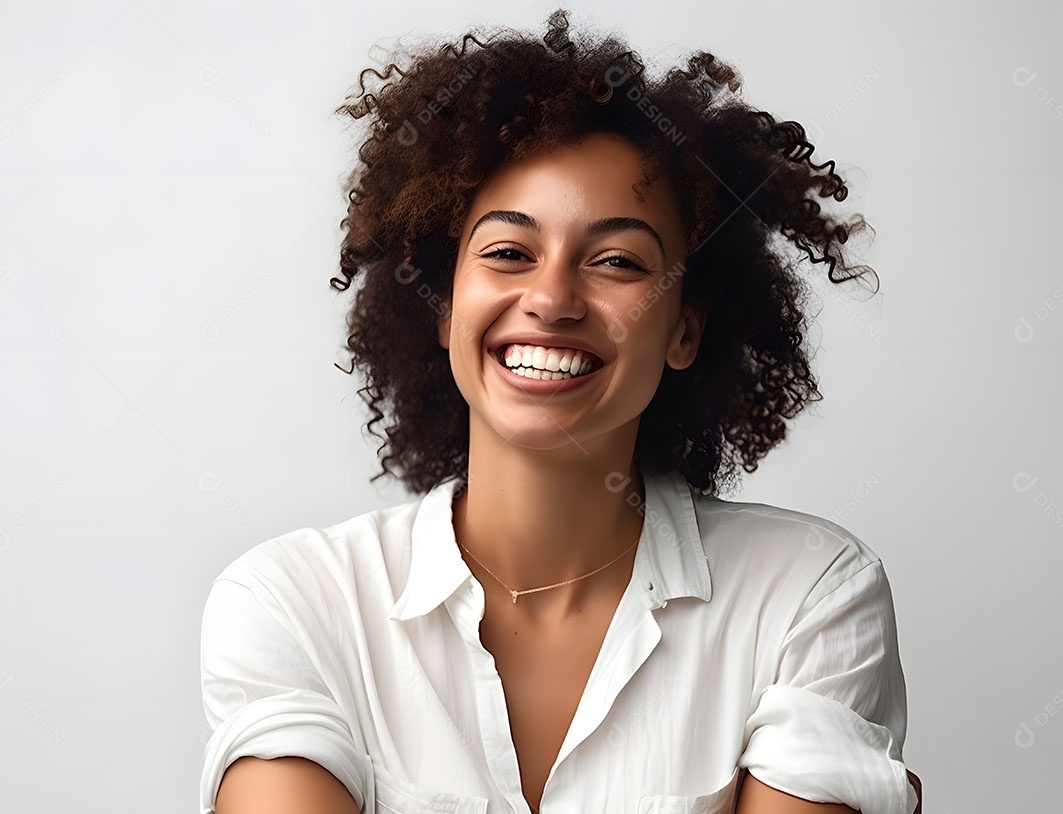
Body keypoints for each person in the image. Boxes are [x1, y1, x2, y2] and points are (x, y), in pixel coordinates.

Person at [199, 10, 921, 814]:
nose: (549, 299)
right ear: (444, 309)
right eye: (508, 252)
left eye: (617, 261)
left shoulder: (807, 597)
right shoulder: (296, 604)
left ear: (684, 328)